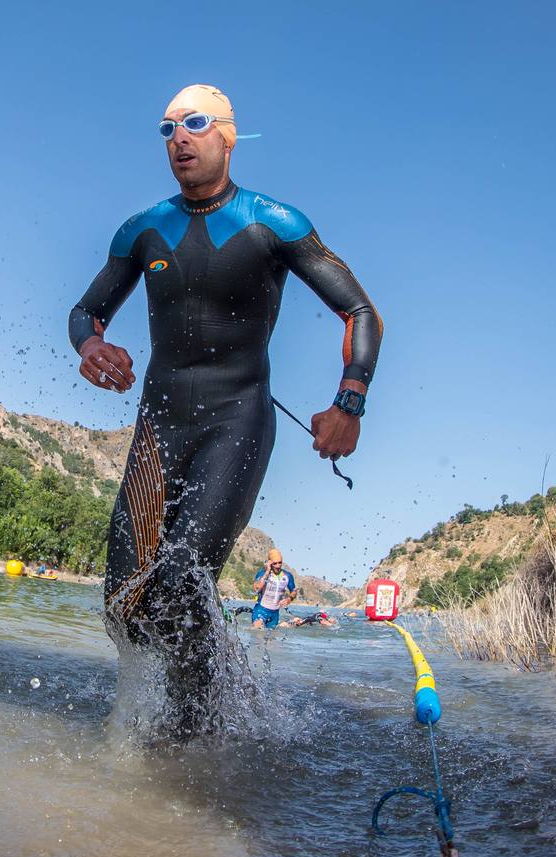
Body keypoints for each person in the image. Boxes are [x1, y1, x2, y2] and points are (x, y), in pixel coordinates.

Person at [69, 84, 383, 737]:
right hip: (159, 427)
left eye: (194, 123)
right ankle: (151, 719)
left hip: (235, 421)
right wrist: (91, 344)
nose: (179, 138)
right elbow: (85, 310)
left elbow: (358, 309)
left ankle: (201, 732)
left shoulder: (275, 222)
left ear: (227, 136)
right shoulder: (142, 230)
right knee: (123, 602)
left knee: (182, 583)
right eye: (167, 129)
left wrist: (348, 401)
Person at [250, 548, 297, 630]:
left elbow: (294, 591)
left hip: (275, 613)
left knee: (272, 640)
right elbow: (256, 589)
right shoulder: (262, 573)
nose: (278, 566)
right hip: (261, 610)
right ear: (270, 562)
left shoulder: (287, 576)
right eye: (275, 563)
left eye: (280, 563)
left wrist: (289, 599)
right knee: (257, 629)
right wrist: (267, 572)